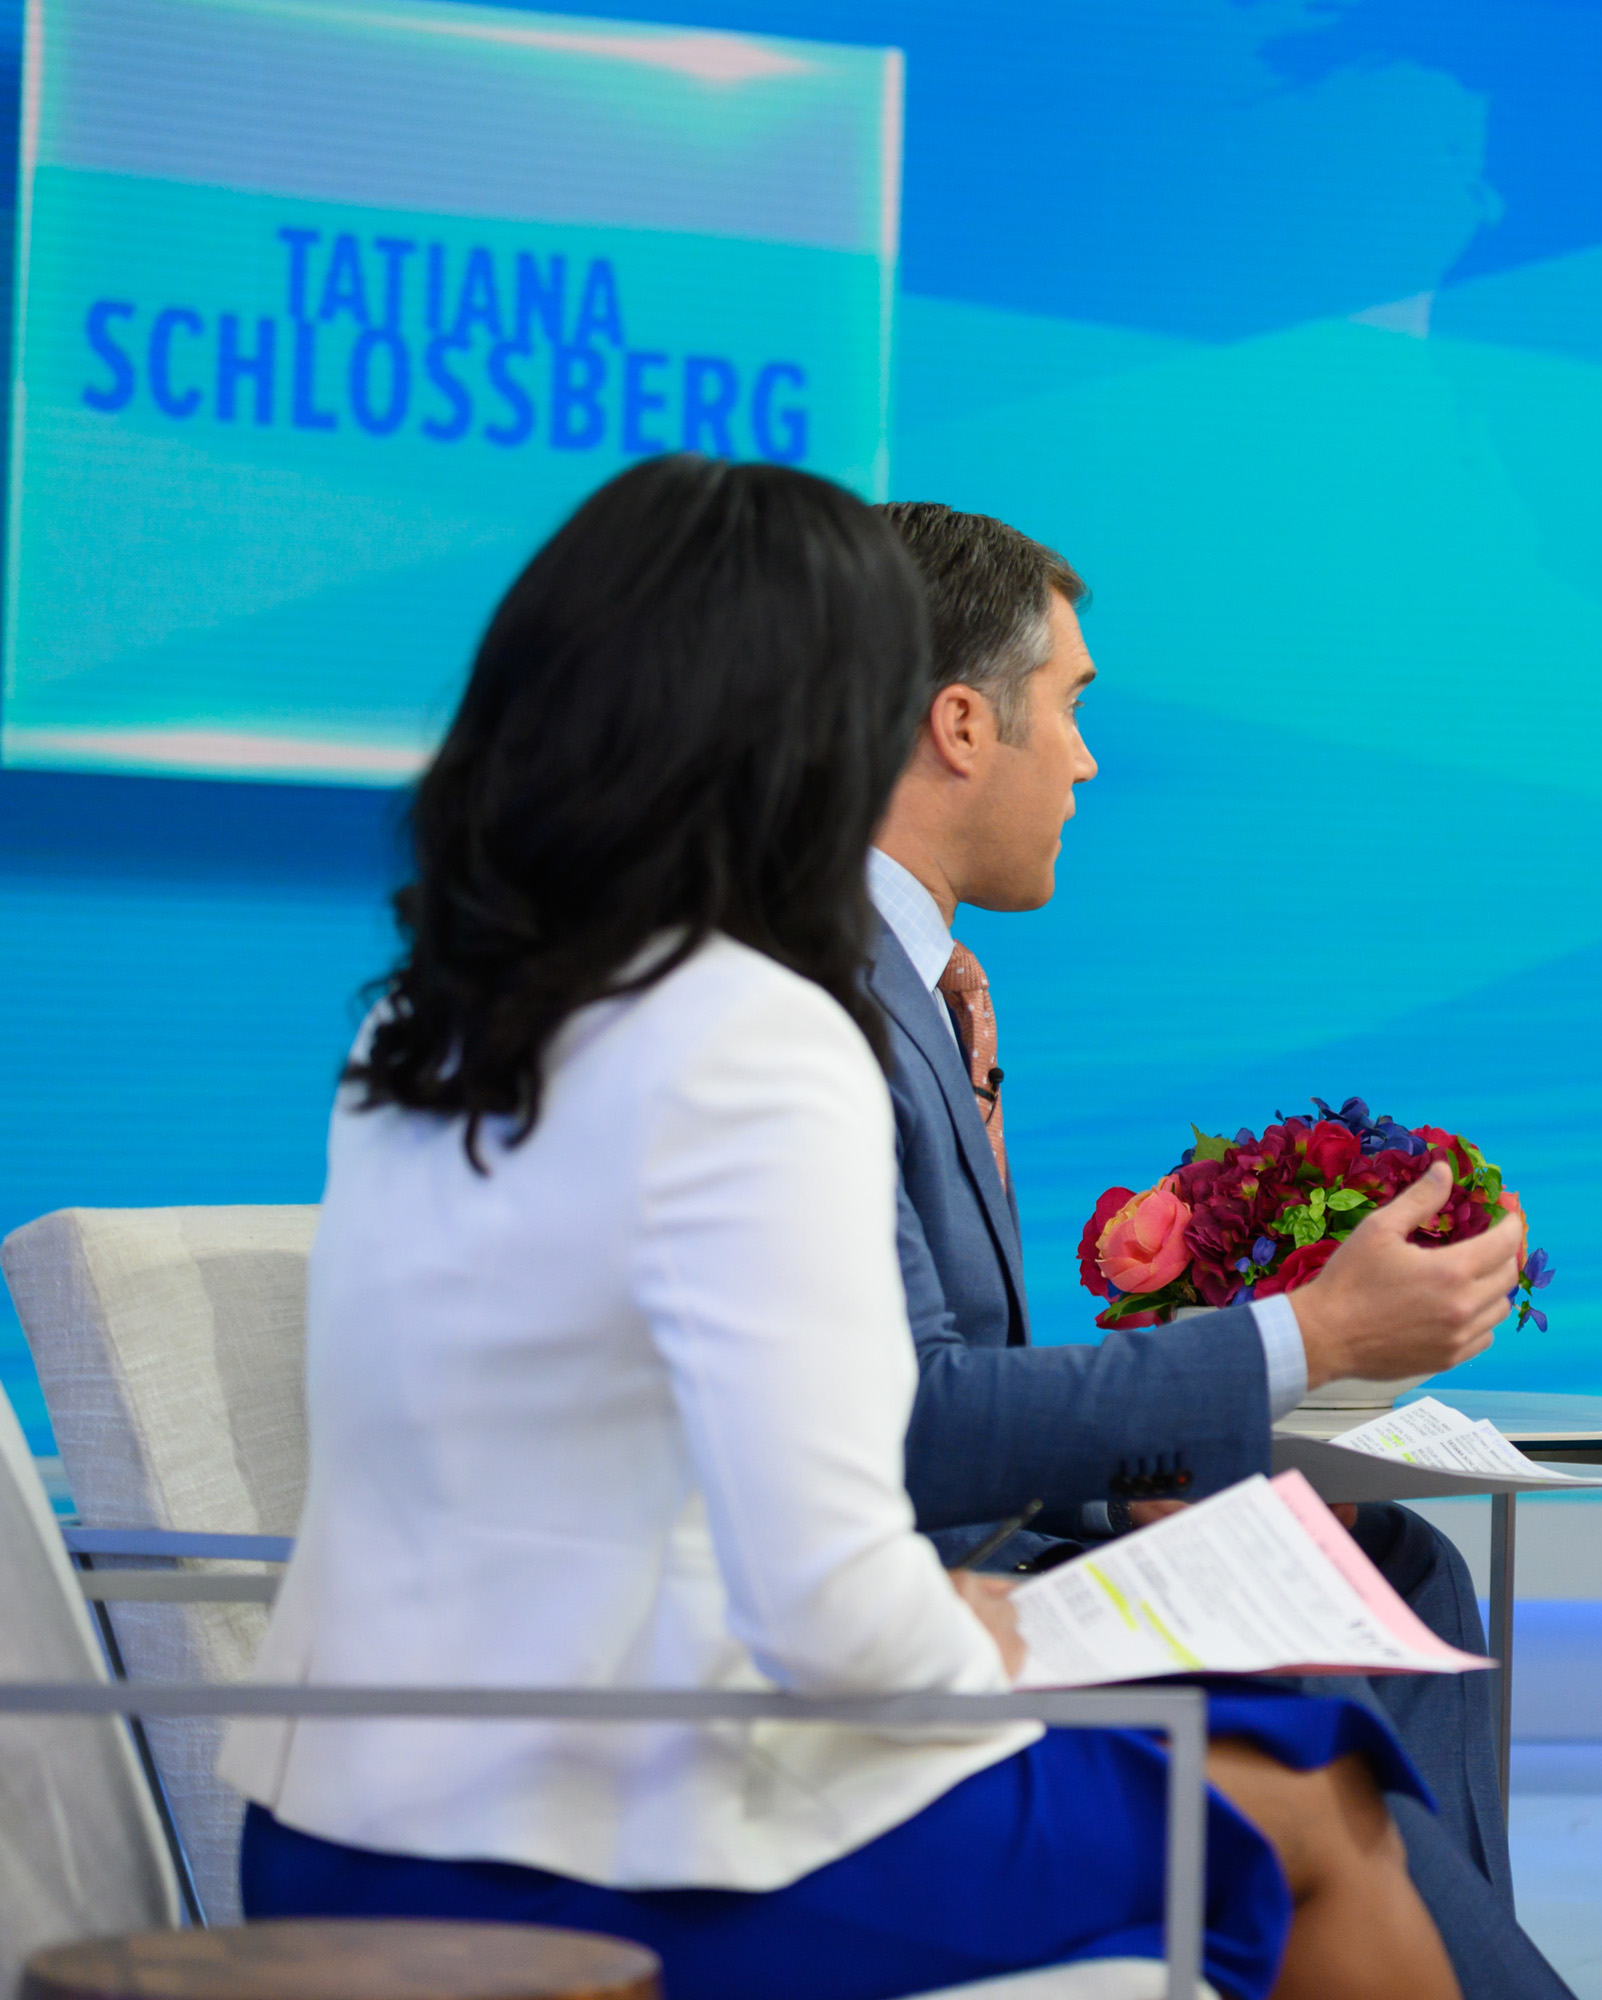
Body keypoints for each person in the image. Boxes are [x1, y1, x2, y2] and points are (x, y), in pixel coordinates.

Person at [220, 455, 1500, 2000]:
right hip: (624, 1843)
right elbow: (841, 1597)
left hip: (334, 1823)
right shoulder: (761, 1034)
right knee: (1320, 1799)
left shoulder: (426, 1025)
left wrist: (953, 1605)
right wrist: (1012, 1637)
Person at [860, 501, 1566, 2000]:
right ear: (965, 724)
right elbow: (905, 1422)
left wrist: (1156, 1474)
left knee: (1398, 1567)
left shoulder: (930, 992)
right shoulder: (821, 1009)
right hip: (896, 1616)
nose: (1090, 760)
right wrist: (1311, 1333)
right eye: (1075, 708)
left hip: (969, 1550)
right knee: (1317, 1662)